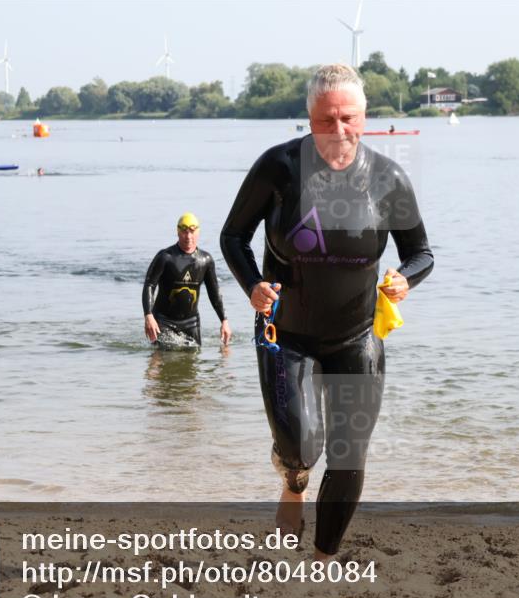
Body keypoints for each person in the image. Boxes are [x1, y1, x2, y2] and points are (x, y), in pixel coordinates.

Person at [221, 64, 434, 559]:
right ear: (309, 118)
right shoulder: (278, 168)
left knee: (348, 454)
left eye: (349, 118)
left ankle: (323, 558)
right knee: (301, 448)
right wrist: (252, 284)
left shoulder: (388, 179)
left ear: (364, 116)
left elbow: (421, 251)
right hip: (284, 333)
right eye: (326, 119)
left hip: (357, 336)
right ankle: (293, 481)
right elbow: (234, 236)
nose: (339, 130)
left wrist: (407, 278)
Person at [143, 213, 232, 347]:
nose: (188, 236)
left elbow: (214, 293)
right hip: (163, 320)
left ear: (198, 232)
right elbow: (149, 286)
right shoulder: (165, 257)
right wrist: (149, 315)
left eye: (192, 231)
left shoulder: (205, 260)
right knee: (165, 357)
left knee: (193, 361)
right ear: (178, 232)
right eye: (184, 231)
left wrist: (224, 321)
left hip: (191, 322)